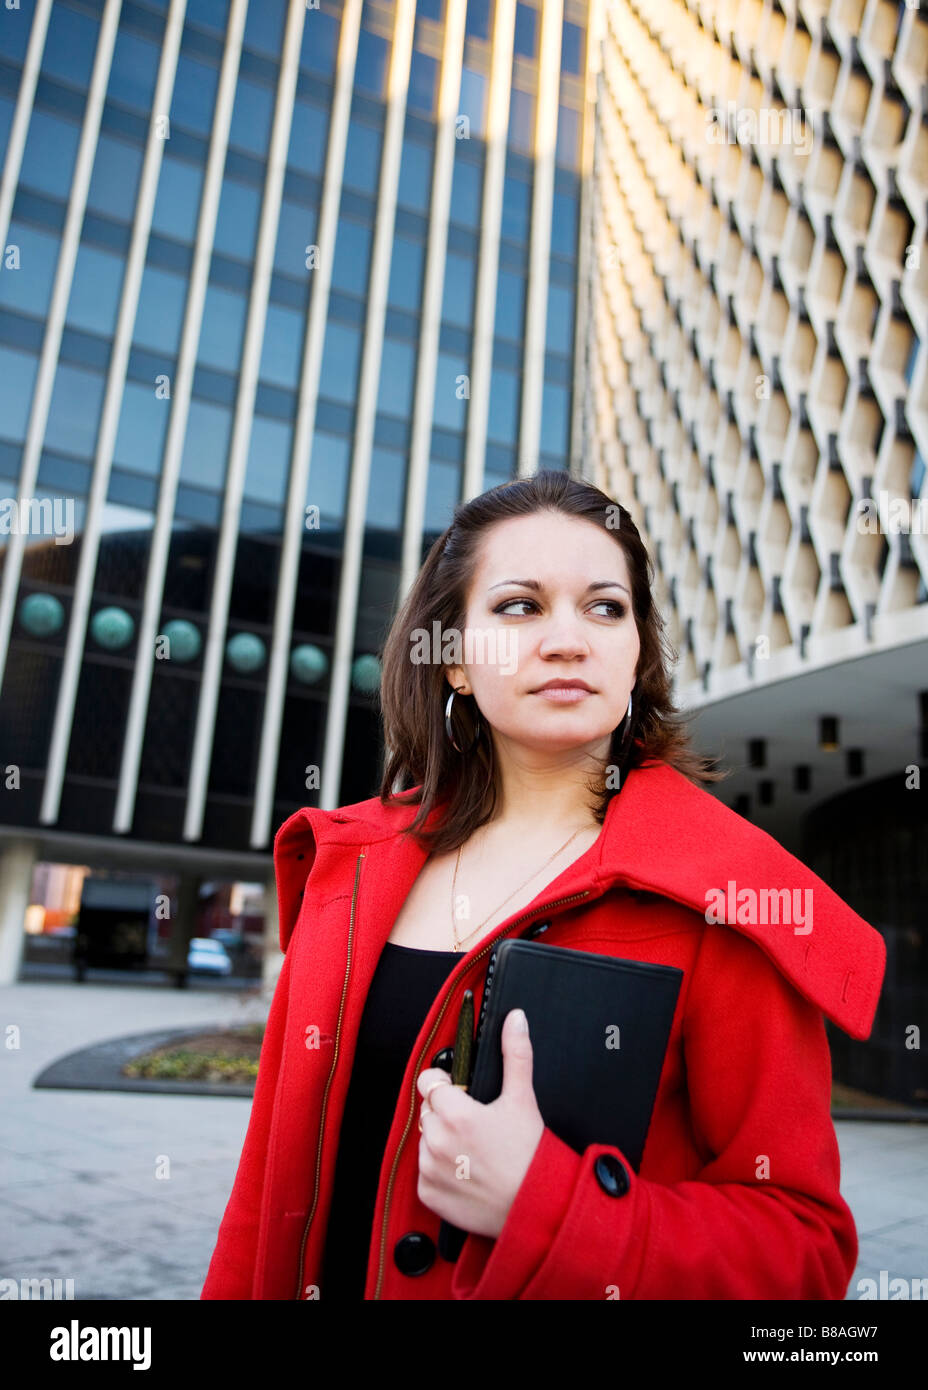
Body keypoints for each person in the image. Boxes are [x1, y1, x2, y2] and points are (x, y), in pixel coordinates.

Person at [201, 470, 885, 1301]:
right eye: (519, 606)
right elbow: (264, 1198)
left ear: (637, 651)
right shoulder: (351, 865)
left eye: (605, 607)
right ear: (452, 660)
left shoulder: (721, 896)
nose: (569, 640)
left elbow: (804, 1253)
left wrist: (552, 1204)